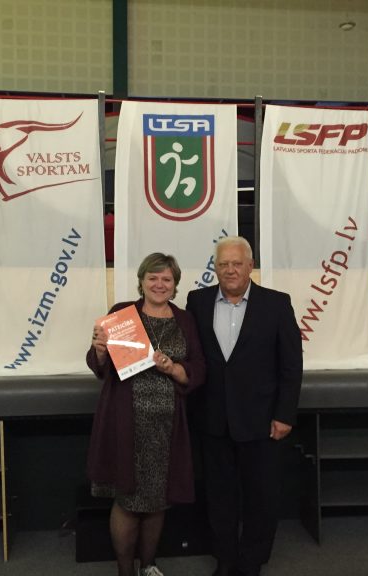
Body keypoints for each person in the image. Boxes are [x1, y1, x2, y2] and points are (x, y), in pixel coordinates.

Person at [186, 237, 303, 576]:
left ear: (251, 266)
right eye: (223, 264)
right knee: (218, 497)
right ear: (215, 268)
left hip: (263, 421)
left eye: (237, 263)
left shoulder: (277, 304)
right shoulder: (197, 301)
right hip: (212, 420)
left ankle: (252, 561)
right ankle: (225, 559)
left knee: (261, 497)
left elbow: (291, 365)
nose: (230, 270)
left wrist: (284, 414)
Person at [87, 252, 206, 576]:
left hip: (168, 427)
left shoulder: (185, 320)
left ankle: (149, 566)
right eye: (153, 278)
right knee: (127, 500)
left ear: (175, 284)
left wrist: (174, 368)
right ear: (141, 281)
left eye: (166, 279)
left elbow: (199, 368)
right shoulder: (121, 314)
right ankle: (125, 571)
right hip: (126, 423)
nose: (159, 284)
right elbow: (99, 367)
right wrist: (99, 350)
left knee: (158, 500)